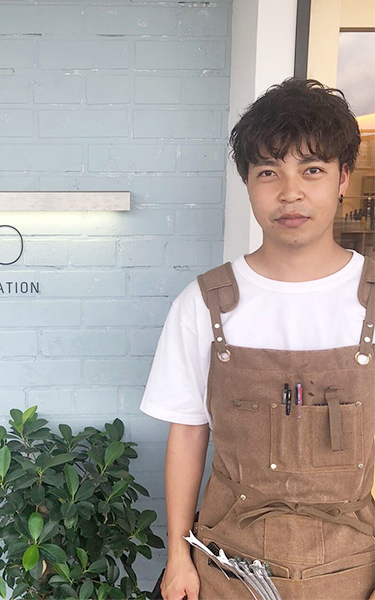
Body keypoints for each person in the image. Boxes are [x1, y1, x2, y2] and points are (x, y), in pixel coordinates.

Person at [140, 78, 375, 600]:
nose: (290, 192)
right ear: (247, 182)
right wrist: (177, 556)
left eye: (312, 170)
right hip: (228, 569)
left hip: (353, 568)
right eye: (268, 172)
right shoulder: (203, 303)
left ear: (342, 177)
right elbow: (188, 433)